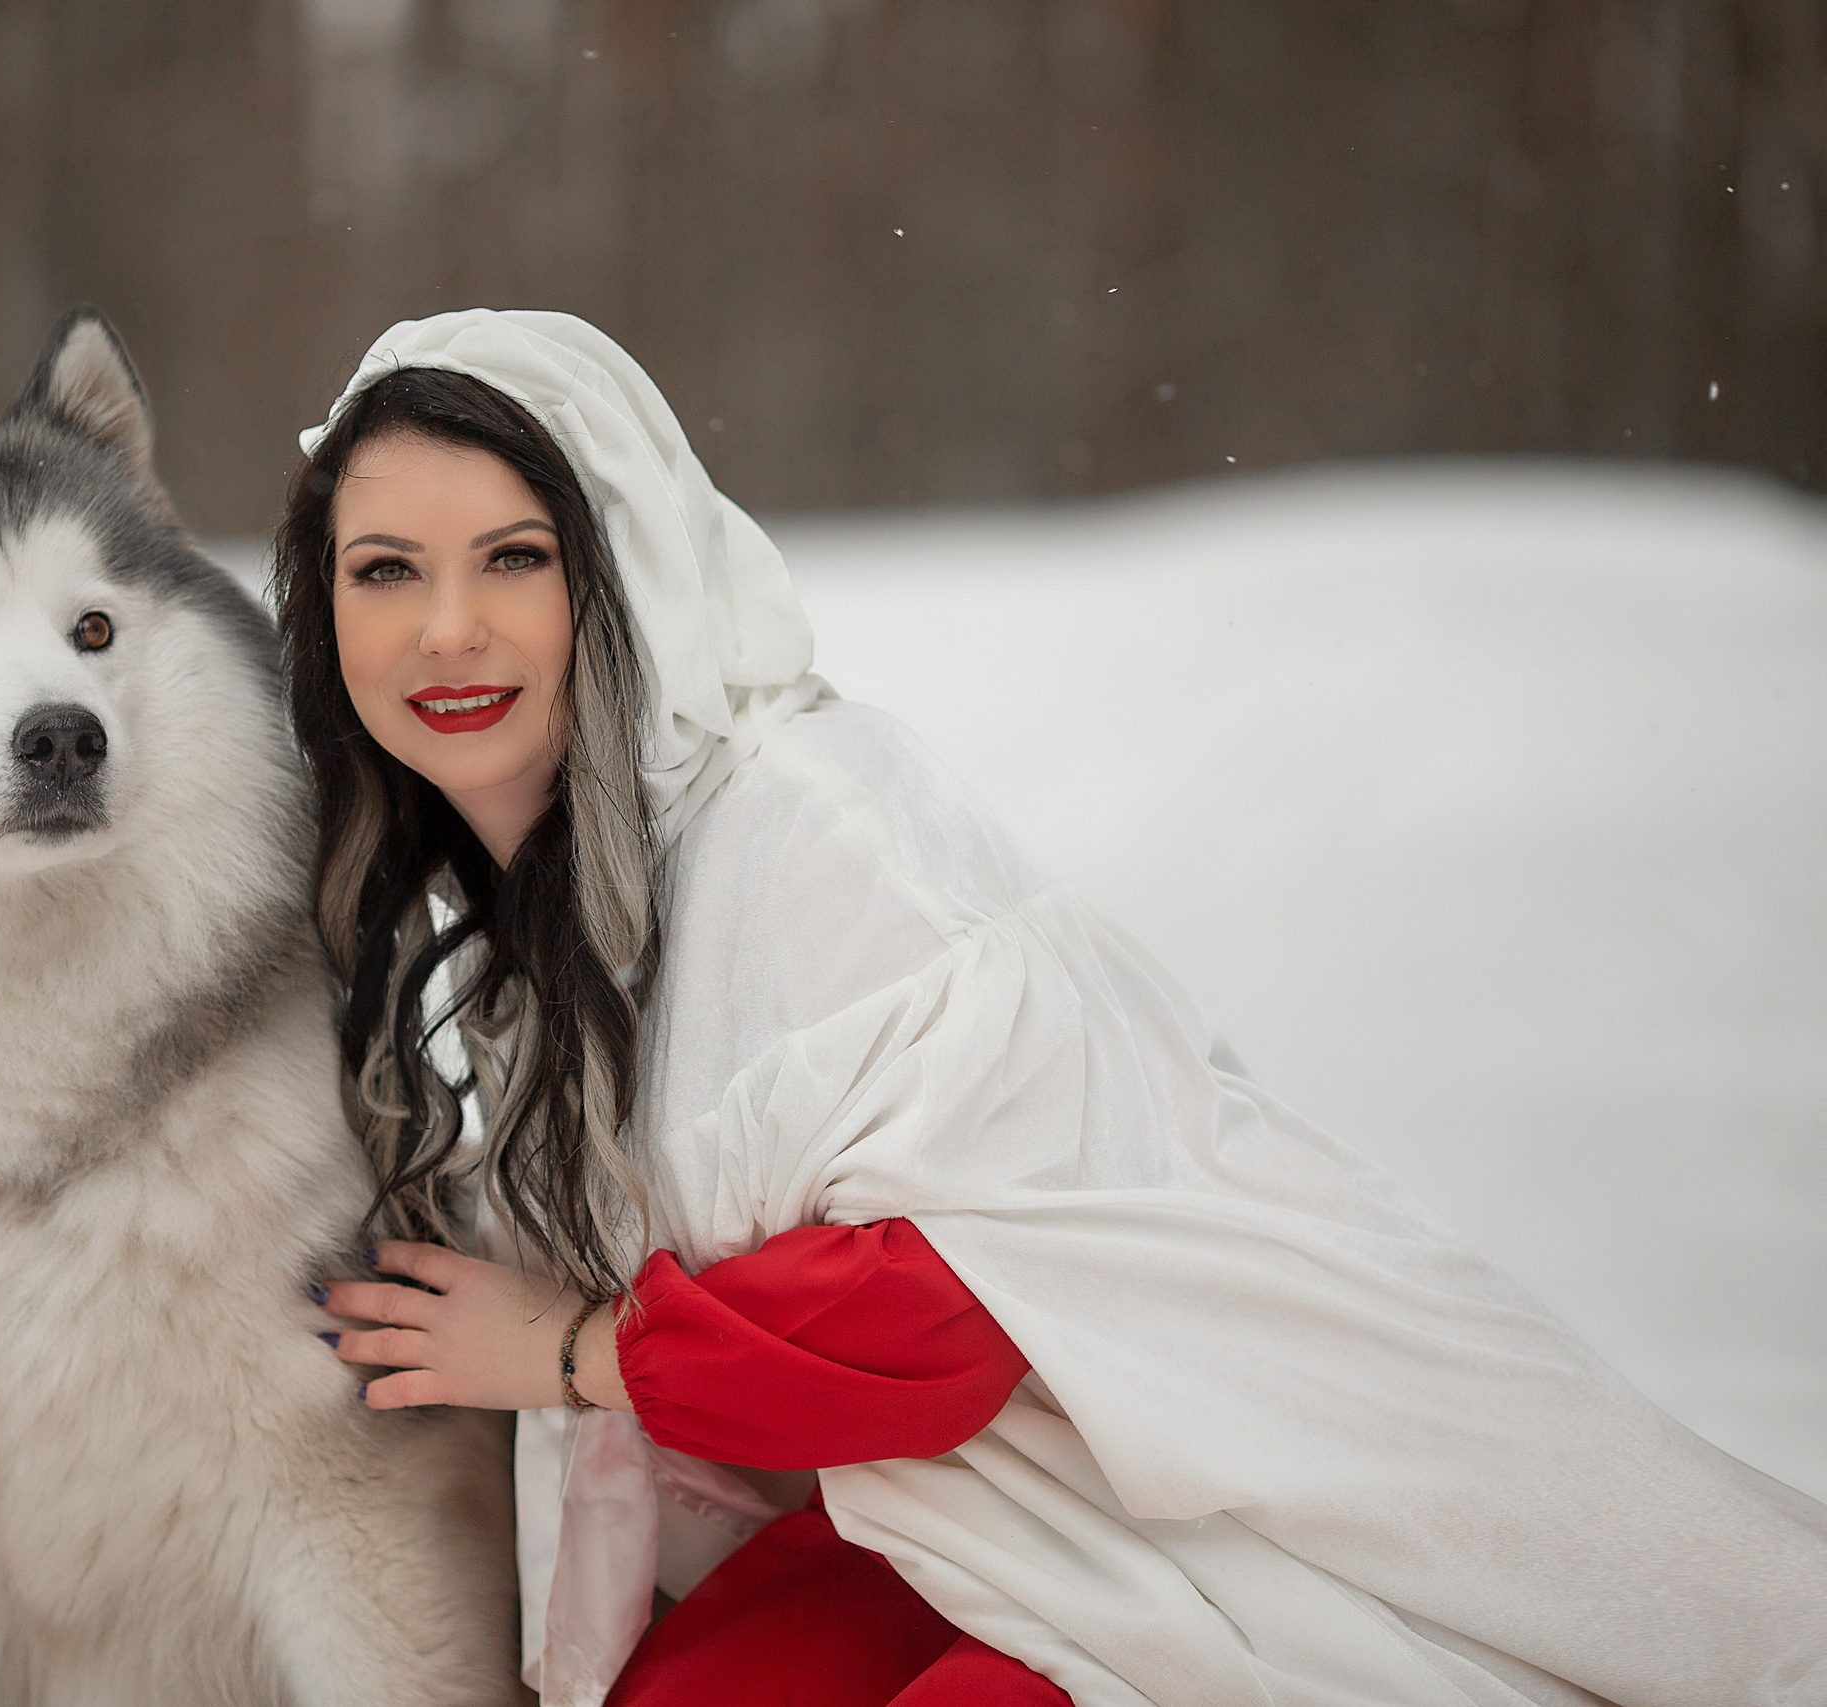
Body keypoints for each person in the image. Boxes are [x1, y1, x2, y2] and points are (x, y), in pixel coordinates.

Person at [273, 310, 1827, 1707]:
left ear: (622, 570)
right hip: (954, 1511)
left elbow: (950, 1314)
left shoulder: (814, 828)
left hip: (1191, 1498)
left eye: (516, 558)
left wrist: (574, 1353)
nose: (446, 632)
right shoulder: (516, 931)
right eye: (386, 571)